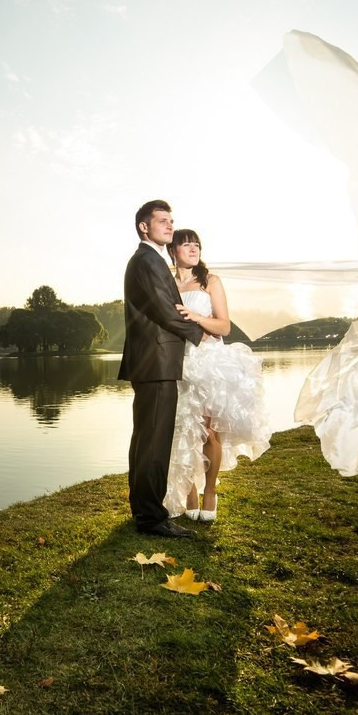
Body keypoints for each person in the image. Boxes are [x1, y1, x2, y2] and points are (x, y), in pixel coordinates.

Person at [165, 228, 272, 522]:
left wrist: (198, 317)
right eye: (186, 244)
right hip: (179, 363)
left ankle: (210, 490)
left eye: (196, 244)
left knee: (210, 431)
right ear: (173, 250)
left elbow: (224, 327)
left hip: (211, 362)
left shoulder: (210, 281)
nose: (193, 248)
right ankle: (188, 493)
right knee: (183, 431)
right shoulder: (167, 283)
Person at [119, 201, 204, 538]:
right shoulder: (147, 261)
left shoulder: (149, 260)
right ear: (144, 227)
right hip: (156, 361)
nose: (170, 227)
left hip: (154, 361)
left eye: (172, 221)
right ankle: (152, 519)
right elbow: (166, 312)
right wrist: (202, 333)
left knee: (146, 440)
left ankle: (143, 509)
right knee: (153, 441)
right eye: (163, 221)